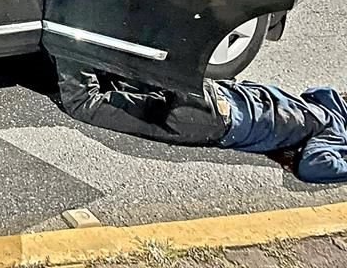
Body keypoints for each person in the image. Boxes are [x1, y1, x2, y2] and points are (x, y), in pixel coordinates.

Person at [55, 59, 347, 184]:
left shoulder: (323, 105)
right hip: (209, 120)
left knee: (116, 76)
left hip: (211, 90)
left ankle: (69, 35)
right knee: (85, 103)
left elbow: (321, 92)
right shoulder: (334, 129)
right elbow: (315, 167)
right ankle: (62, 36)